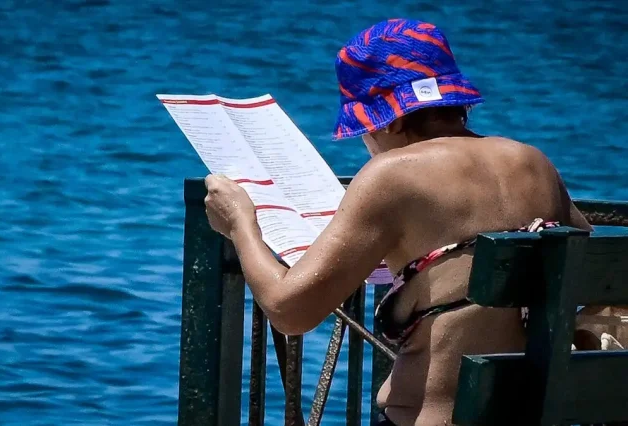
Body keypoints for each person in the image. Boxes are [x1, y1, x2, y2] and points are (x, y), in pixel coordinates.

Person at [202, 19, 593, 426]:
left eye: (364, 129)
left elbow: (289, 312)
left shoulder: (393, 175)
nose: (367, 142)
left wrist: (240, 223)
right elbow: (592, 263)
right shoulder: (532, 161)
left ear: (388, 120)